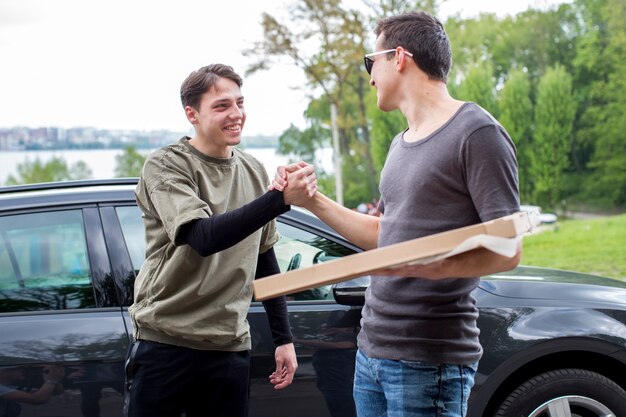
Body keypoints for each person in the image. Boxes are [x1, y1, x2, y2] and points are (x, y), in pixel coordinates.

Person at [272, 11, 521, 417]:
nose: (370, 76)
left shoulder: (476, 132)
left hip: (429, 359)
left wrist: (430, 265)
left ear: (399, 57)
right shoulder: (399, 144)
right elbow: (384, 235)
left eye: (371, 62)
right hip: (371, 351)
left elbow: (507, 249)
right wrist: (312, 200)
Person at [125, 64, 317, 417]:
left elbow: (265, 260)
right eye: (222, 106)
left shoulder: (254, 170)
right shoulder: (166, 166)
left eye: (240, 103)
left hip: (230, 347)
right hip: (166, 344)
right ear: (192, 114)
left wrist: (284, 339)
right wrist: (280, 199)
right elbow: (202, 237)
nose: (236, 114)